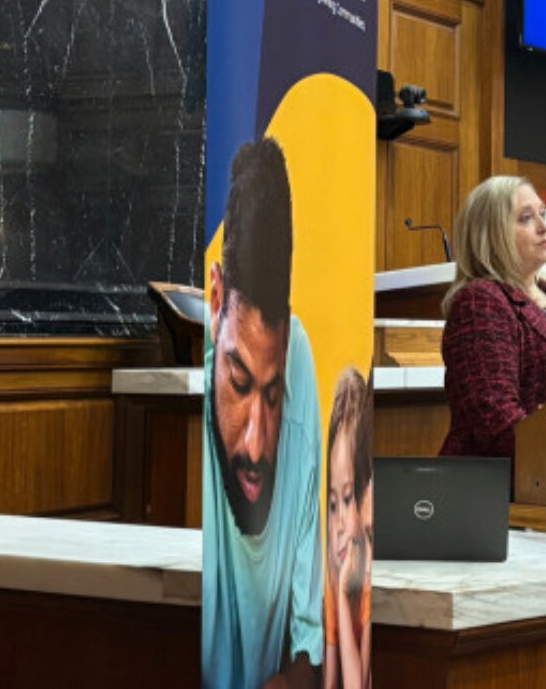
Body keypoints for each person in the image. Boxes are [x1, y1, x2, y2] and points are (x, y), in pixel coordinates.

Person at [203, 138, 322, 689]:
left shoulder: (298, 354)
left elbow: (309, 540)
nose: (256, 445)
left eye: (271, 396)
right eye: (240, 383)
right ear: (214, 297)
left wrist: (305, 663)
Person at [438, 176, 546, 460]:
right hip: (502, 487)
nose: (544, 228)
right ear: (491, 233)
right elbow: (494, 418)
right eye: (526, 218)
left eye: (542, 214)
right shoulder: (481, 301)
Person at [323, 367, 372, 689]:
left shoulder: (366, 578)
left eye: (349, 497)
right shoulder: (329, 574)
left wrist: (343, 599)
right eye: (332, 505)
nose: (340, 524)